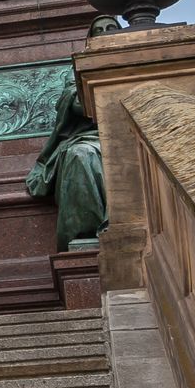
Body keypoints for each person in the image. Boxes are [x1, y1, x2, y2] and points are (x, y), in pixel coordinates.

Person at [25, 17, 119, 249]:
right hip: (91, 138)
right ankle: (94, 231)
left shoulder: (141, 59)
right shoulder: (77, 71)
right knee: (81, 154)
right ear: (91, 39)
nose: (105, 33)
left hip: (130, 135)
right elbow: (77, 103)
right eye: (99, 30)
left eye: (111, 28)